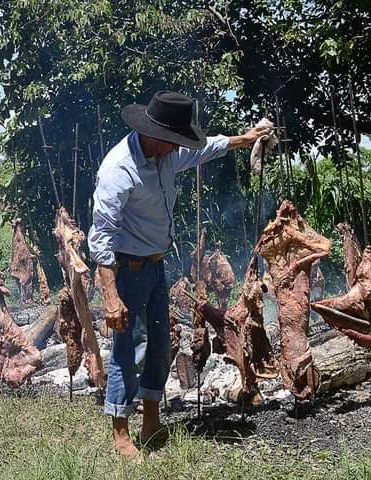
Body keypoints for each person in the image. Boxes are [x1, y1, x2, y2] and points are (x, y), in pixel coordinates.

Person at [88, 90, 270, 460]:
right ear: (155, 135)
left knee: (159, 343)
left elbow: (209, 148)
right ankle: (121, 434)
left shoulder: (166, 152)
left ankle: (151, 422)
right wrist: (110, 297)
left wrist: (246, 140)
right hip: (126, 270)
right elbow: (101, 237)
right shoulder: (119, 169)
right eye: (174, 142)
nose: (178, 149)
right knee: (129, 349)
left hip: (155, 266)